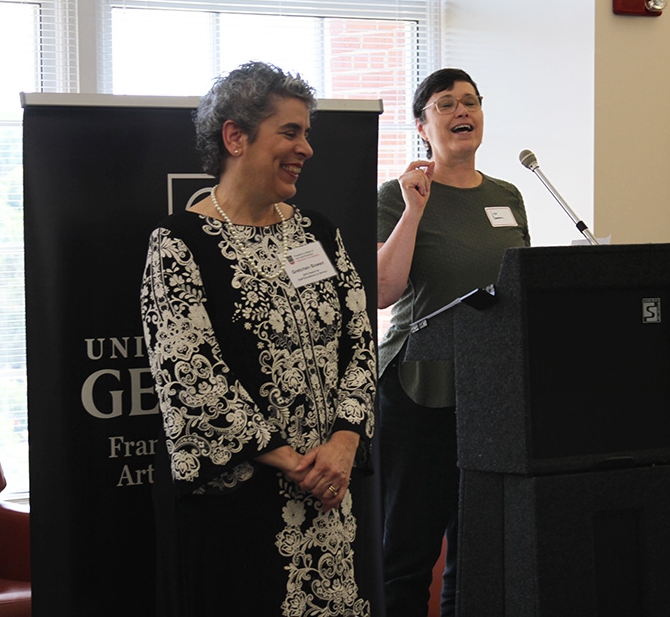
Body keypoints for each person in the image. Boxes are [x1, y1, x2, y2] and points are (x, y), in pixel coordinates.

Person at [141, 62, 375, 617]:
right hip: (239, 514)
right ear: (235, 137)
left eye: (307, 133)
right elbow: (191, 381)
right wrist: (298, 464)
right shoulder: (179, 244)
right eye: (290, 132)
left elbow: (360, 342)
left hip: (332, 501)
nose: (307, 148)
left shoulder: (317, 233)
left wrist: (342, 446)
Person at [376, 68, 530, 617]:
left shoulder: (508, 195)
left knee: (479, 549)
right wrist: (415, 210)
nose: (462, 112)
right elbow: (383, 291)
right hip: (418, 386)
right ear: (423, 125)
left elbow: (520, 290)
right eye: (445, 105)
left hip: (490, 392)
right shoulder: (399, 196)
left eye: (470, 102)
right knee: (408, 549)